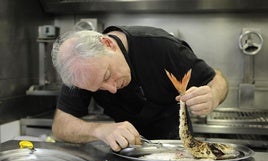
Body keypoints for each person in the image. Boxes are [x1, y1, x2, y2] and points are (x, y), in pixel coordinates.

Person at [51, 25, 228, 152]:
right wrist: (99, 130)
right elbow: (60, 126)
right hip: (123, 152)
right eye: (99, 89)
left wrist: (212, 95)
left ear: (108, 44)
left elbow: (217, 80)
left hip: (175, 148)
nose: (112, 89)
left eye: (107, 76)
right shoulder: (79, 69)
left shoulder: (161, 46)